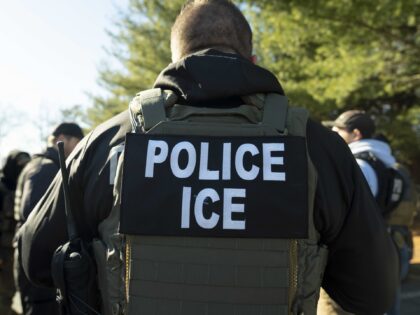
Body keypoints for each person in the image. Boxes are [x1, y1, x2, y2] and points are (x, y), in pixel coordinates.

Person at [20, 1, 398, 314]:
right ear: (250, 58)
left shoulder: (109, 141)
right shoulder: (318, 147)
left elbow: (35, 259)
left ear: (174, 60)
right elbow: (372, 294)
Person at [324, 110, 417, 315]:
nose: (332, 132)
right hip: (396, 245)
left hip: (366, 252)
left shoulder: (358, 164)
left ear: (356, 134)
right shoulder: (390, 162)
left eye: (338, 130)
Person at [13, 123, 84, 315]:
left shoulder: (42, 165)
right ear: (62, 139)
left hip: (35, 256)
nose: (78, 149)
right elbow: (36, 221)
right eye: (77, 143)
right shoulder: (45, 169)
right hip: (38, 260)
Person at [0, 150, 30, 315]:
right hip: (4, 254)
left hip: (19, 250)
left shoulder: (27, 187)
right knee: (4, 295)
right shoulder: (2, 189)